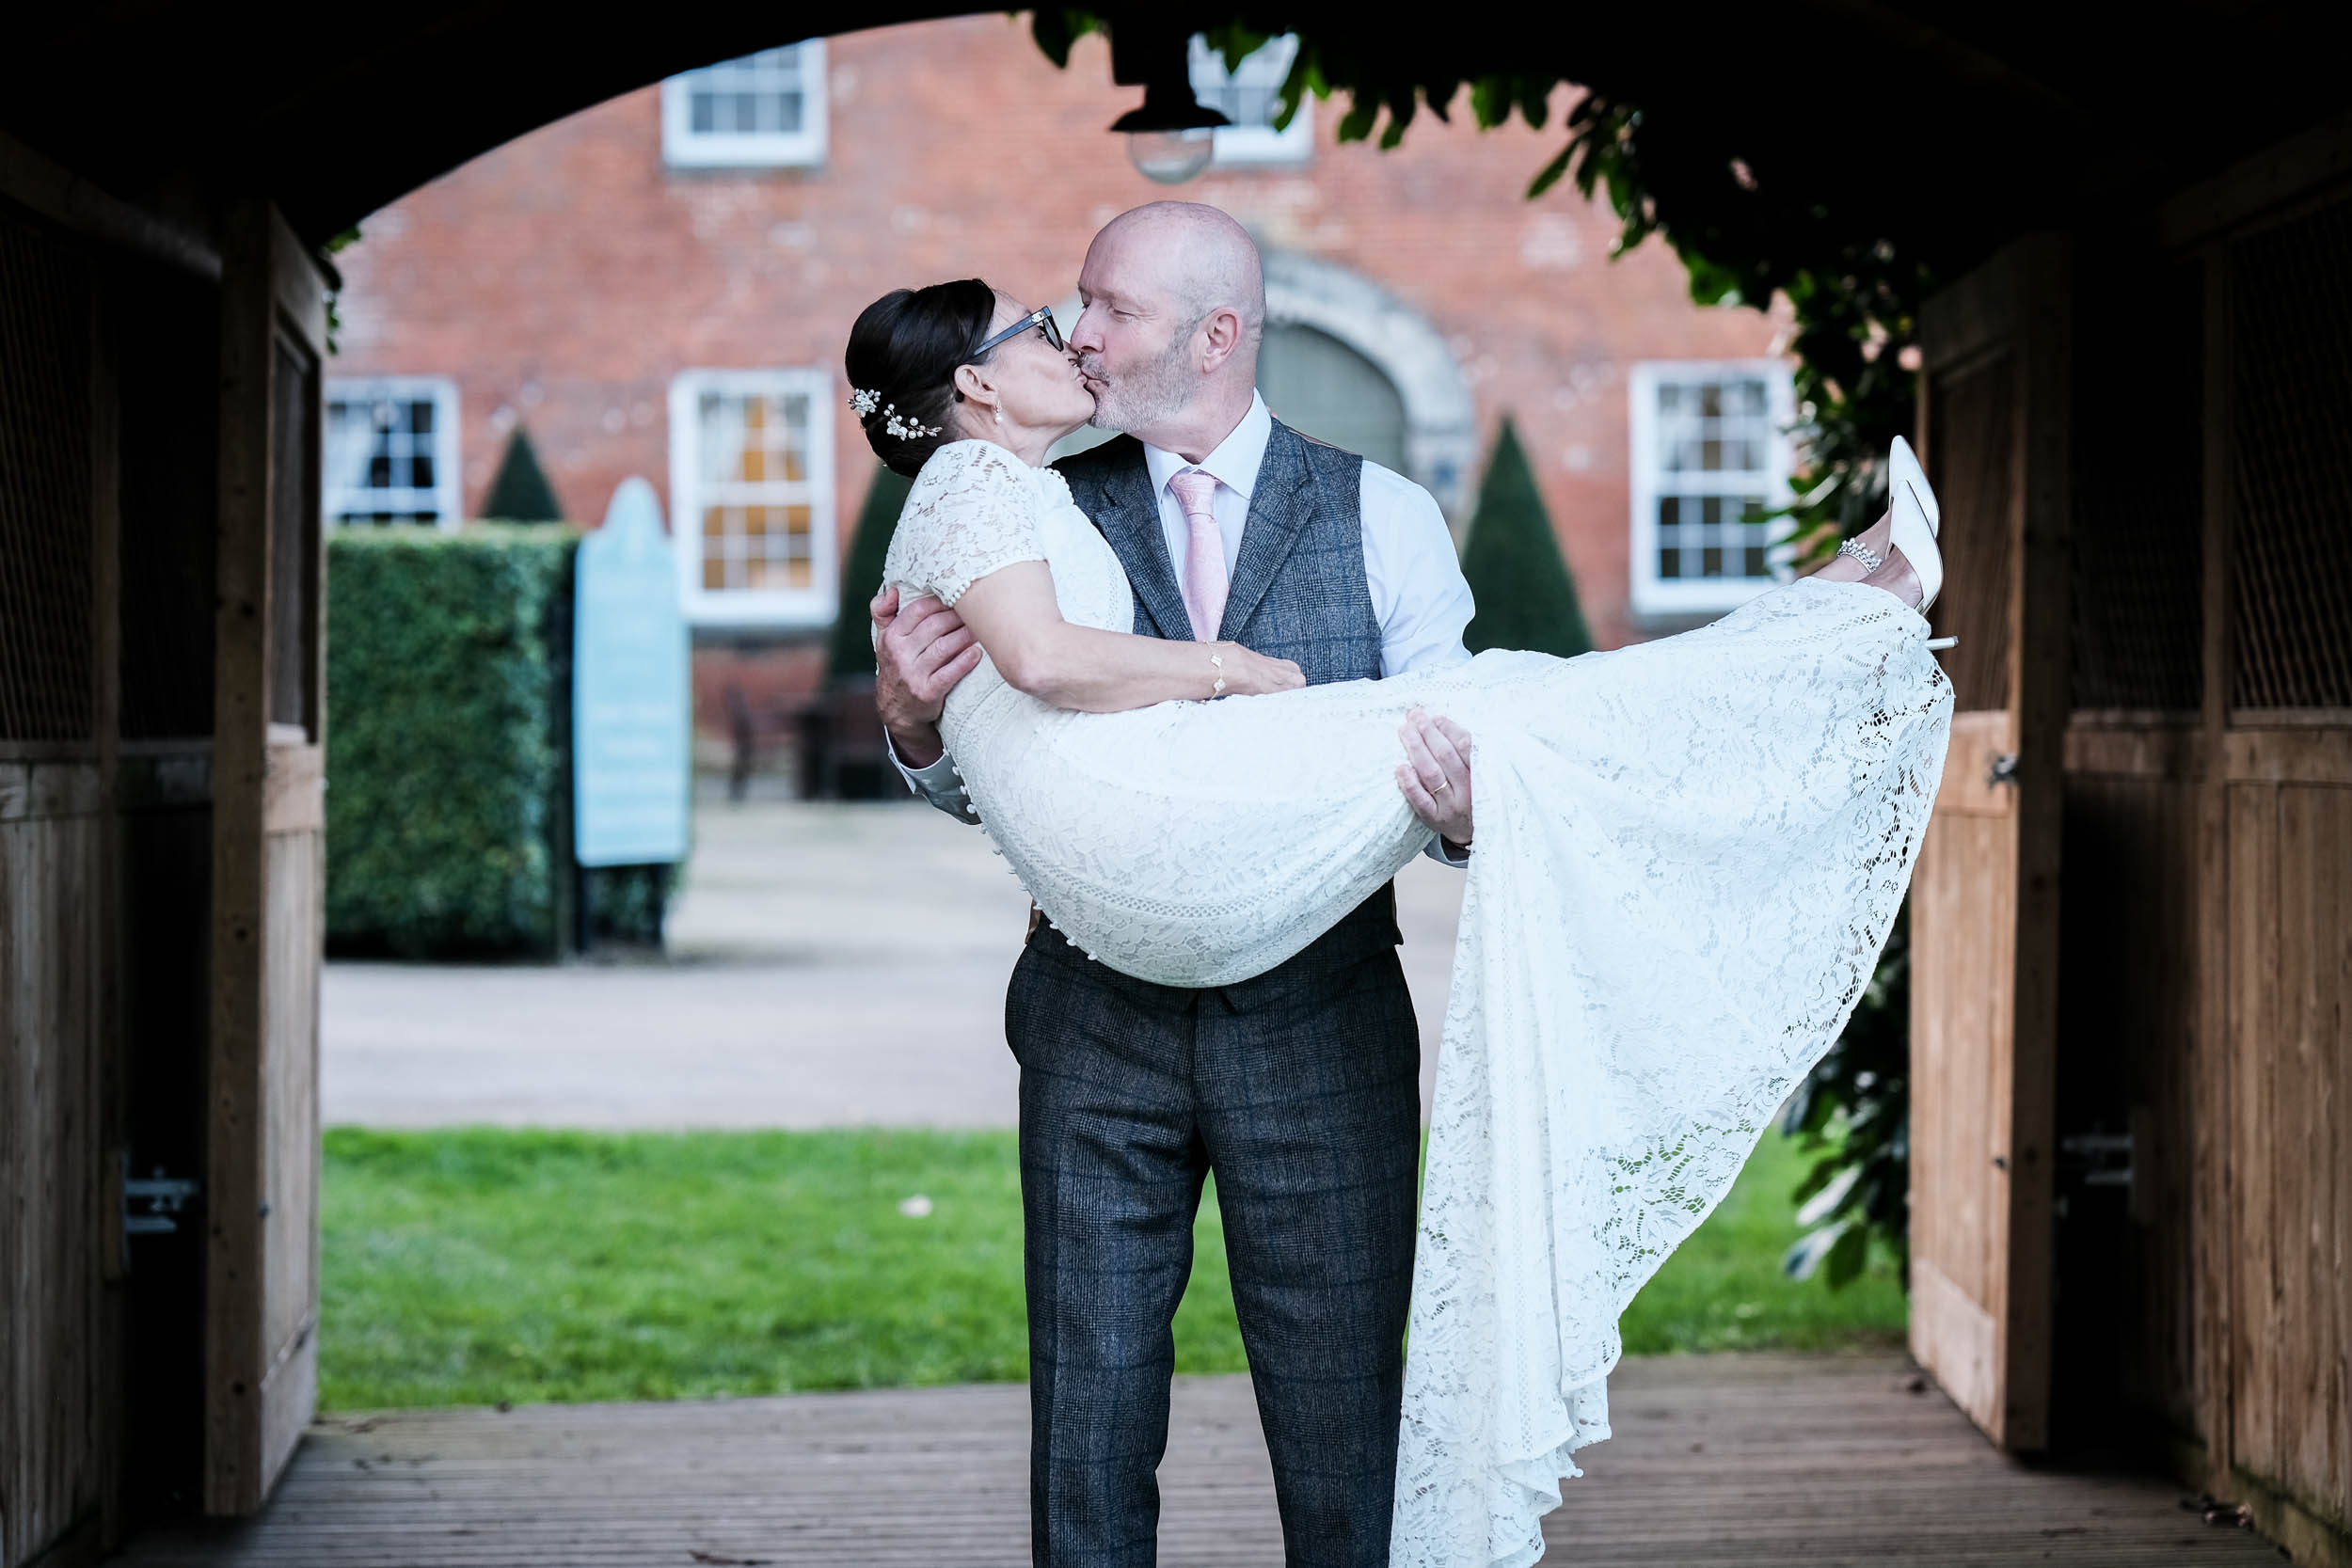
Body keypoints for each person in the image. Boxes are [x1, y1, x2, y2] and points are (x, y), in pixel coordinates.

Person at [854, 206, 1950, 1568]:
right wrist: (912, 726)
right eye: (1073, 307)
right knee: (1088, 1417)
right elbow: (1015, 779)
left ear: (1215, 334)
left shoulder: (1385, 515)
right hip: (1096, 1024)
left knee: (1347, 1424)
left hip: (1320, 1028)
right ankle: (1831, 617)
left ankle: (1817, 633)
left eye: (1111, 309)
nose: (1079, 334)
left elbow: (1445, 778)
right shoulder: (1027, 493)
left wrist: (1471, 820)